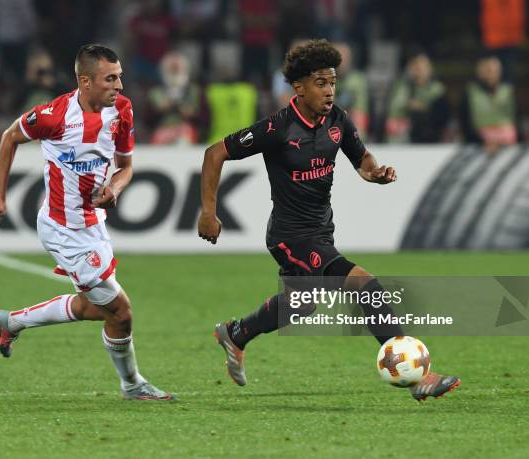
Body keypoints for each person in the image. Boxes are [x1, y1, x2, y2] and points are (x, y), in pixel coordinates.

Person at [197, 40, 460, 401]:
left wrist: (374, 173)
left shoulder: (338, 120)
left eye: (333, 82)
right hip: (290, 236)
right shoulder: (277, 128)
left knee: (301, 304)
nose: (329, 90)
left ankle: (236, 333)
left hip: (321, 230)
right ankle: (418, 379)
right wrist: (209, 211)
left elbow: (362, 158)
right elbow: (215, 153)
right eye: (321, 83)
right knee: (365, 284)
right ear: (299, 87)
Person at [0, 44, 173, 401]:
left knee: (94, 307)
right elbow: (9, 137)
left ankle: (13, 321)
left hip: (94, 224)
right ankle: (133, 385)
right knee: (120, 311)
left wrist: (115, 186)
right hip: (63, 229)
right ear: (85, 81)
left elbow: (126, 166)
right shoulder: (55, 115)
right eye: (110, 78)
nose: (119, 85)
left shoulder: (122, 110)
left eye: (120, 77)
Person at [459, 55, 522, 155]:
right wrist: (481, 142)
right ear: (480, 72)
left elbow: (516, 118)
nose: (492, 74)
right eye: (488, 70)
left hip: (509, 145)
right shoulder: (470, 93)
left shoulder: (508, 91)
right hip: (479, 148)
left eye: (495, 70)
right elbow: (464, 122)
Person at [385, 53, 449, 143]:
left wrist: (421, 109)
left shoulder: (437, 90)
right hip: (403, 138)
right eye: (417, 67)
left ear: (430, 69)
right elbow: (392, 112)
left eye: (423, 67)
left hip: (430, 139)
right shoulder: (401, 87)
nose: (419, 70)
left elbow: (442, 116)